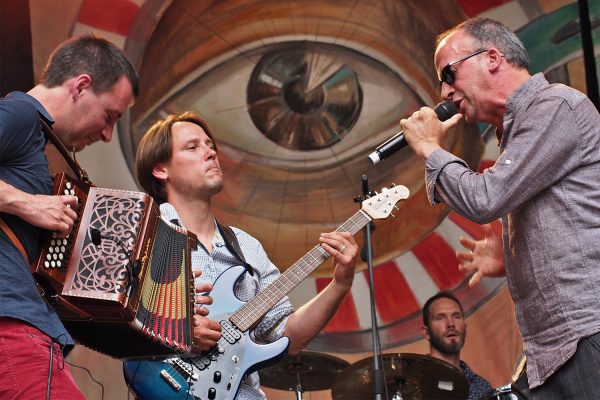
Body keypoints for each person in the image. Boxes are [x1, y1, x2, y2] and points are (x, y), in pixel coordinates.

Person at [401, 16, 600, 399]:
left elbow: (485, 199)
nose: (443, 92)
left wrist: (429, 148)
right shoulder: (519, 131)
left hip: (586, 334)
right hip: (555, 348)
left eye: (449, 73)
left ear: (492, 57)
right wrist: (512, 259)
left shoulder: (554, 106)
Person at [134, 111, 359, 399]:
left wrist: (340, 284)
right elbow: (114, 323)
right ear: (160, 169)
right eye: (193, 147)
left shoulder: (246, 246)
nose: (210, 152)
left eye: (210, 145)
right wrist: (180, 333)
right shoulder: (143, 235)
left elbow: (290, 336)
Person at [0, 34, 138, 398]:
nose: (108, 134)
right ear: (81, 86)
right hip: (10, 327)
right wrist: (25, 203)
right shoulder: (20, 114)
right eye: (109, 116)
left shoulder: (34, 139)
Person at [422, 292, 493, 400]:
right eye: (440, 317)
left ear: (465, 326)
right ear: (426, 333)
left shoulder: (481, 386)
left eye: (456, 316)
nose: (450, 323)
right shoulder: (413, 381)